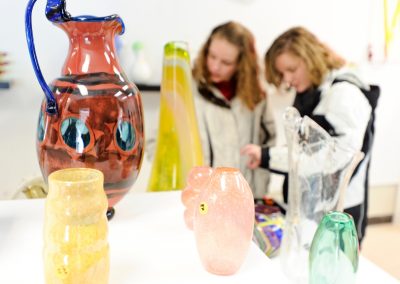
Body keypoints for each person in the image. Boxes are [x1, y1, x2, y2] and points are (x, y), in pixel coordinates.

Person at [241, 26, 377, 243]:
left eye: (292, 69)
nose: (287, 79)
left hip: (339, 213)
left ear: (309, 57)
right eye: (282, 73)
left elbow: (329, 161)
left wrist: (267, 156)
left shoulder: (344, 95)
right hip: (313, 210)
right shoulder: (314, 93)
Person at [192, 21, 276, 200]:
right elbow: (159, 143)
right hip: (203, 198)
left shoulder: (256, 94)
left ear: (241, 64)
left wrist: (259, 188)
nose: (215, 66)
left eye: (226, 62)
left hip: (247, 196)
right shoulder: (188, 89)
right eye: (211, 56)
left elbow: (269, 141)